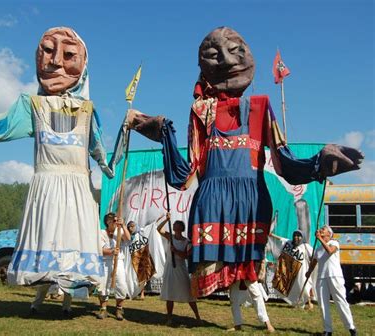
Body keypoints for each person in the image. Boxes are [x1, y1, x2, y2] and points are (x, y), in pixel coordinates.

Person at [126, 26, 363, 332]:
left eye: (236, 50)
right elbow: (185, 177)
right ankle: (243, 321)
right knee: (238, 279)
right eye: (213, 55)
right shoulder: (201, 111)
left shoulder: (261, 107)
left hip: (251, 201)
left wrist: (320, 164)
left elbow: (285, 164)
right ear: (202, 67)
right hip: (212, 204)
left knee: (249, 274)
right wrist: (164, 135)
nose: (226, 60)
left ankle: (261, 320)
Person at [0, 27, 127, 314]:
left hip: (78, 191)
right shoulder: (32, 106)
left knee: (71, 258)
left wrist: (129, 128)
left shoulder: (88, 110)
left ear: (84, 62)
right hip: (47, 186)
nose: (56, 62)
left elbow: (107, 162)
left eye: (68, 54)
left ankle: (65, 303)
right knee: (48, 252)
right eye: (47, 51)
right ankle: (41, 300)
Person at [306, 226, 357, 336]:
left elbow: (329, 251)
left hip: (335, 276)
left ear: (329, 234)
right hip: (321, 277)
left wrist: (319, 238)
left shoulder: (334, 243)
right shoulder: (318, 249)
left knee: (340, 301)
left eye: (323, 229)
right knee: (323, 304)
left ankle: (351, 327)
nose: (320, 230)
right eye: (320, 229)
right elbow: (314, 261)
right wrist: (309, 271)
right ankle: (328, 330)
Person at [157, 213, 201, 326]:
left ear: (181, 228)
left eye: (176, 224)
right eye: (174, 223)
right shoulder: (170, 237)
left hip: (180, 268)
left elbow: (186, 256)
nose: (174, 225)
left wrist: (175, 251)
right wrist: (166, 219)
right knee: (169, 293)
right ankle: (169, 318)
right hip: (170, 267)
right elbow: (159, 229)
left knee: (188, 293)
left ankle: (197, 316)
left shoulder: (187, 242)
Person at [97, 213, 130, 321]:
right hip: (105, 262)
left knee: (121, 284)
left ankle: (119, 309)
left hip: (118, 261)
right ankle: (103, 309)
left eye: (117, 220)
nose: (116, 222)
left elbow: (128, 239)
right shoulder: (101, 233)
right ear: (108, 222)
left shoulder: (119, 232)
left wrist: (123, 225)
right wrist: (111, 252)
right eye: (114, 220)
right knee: (103, 285)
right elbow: (99, 250)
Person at [270, 230, 314, 309]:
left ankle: (309, 303)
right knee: (293, 288)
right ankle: (297, 303)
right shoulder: (289, 243)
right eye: (294, 235)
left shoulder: (306, 246)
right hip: (291, 272)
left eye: (298, 236)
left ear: (302, 237)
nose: (296, 237)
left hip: (302, 271)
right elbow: (280, 239)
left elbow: (313, 256)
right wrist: (271, 235)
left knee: (304, 287)